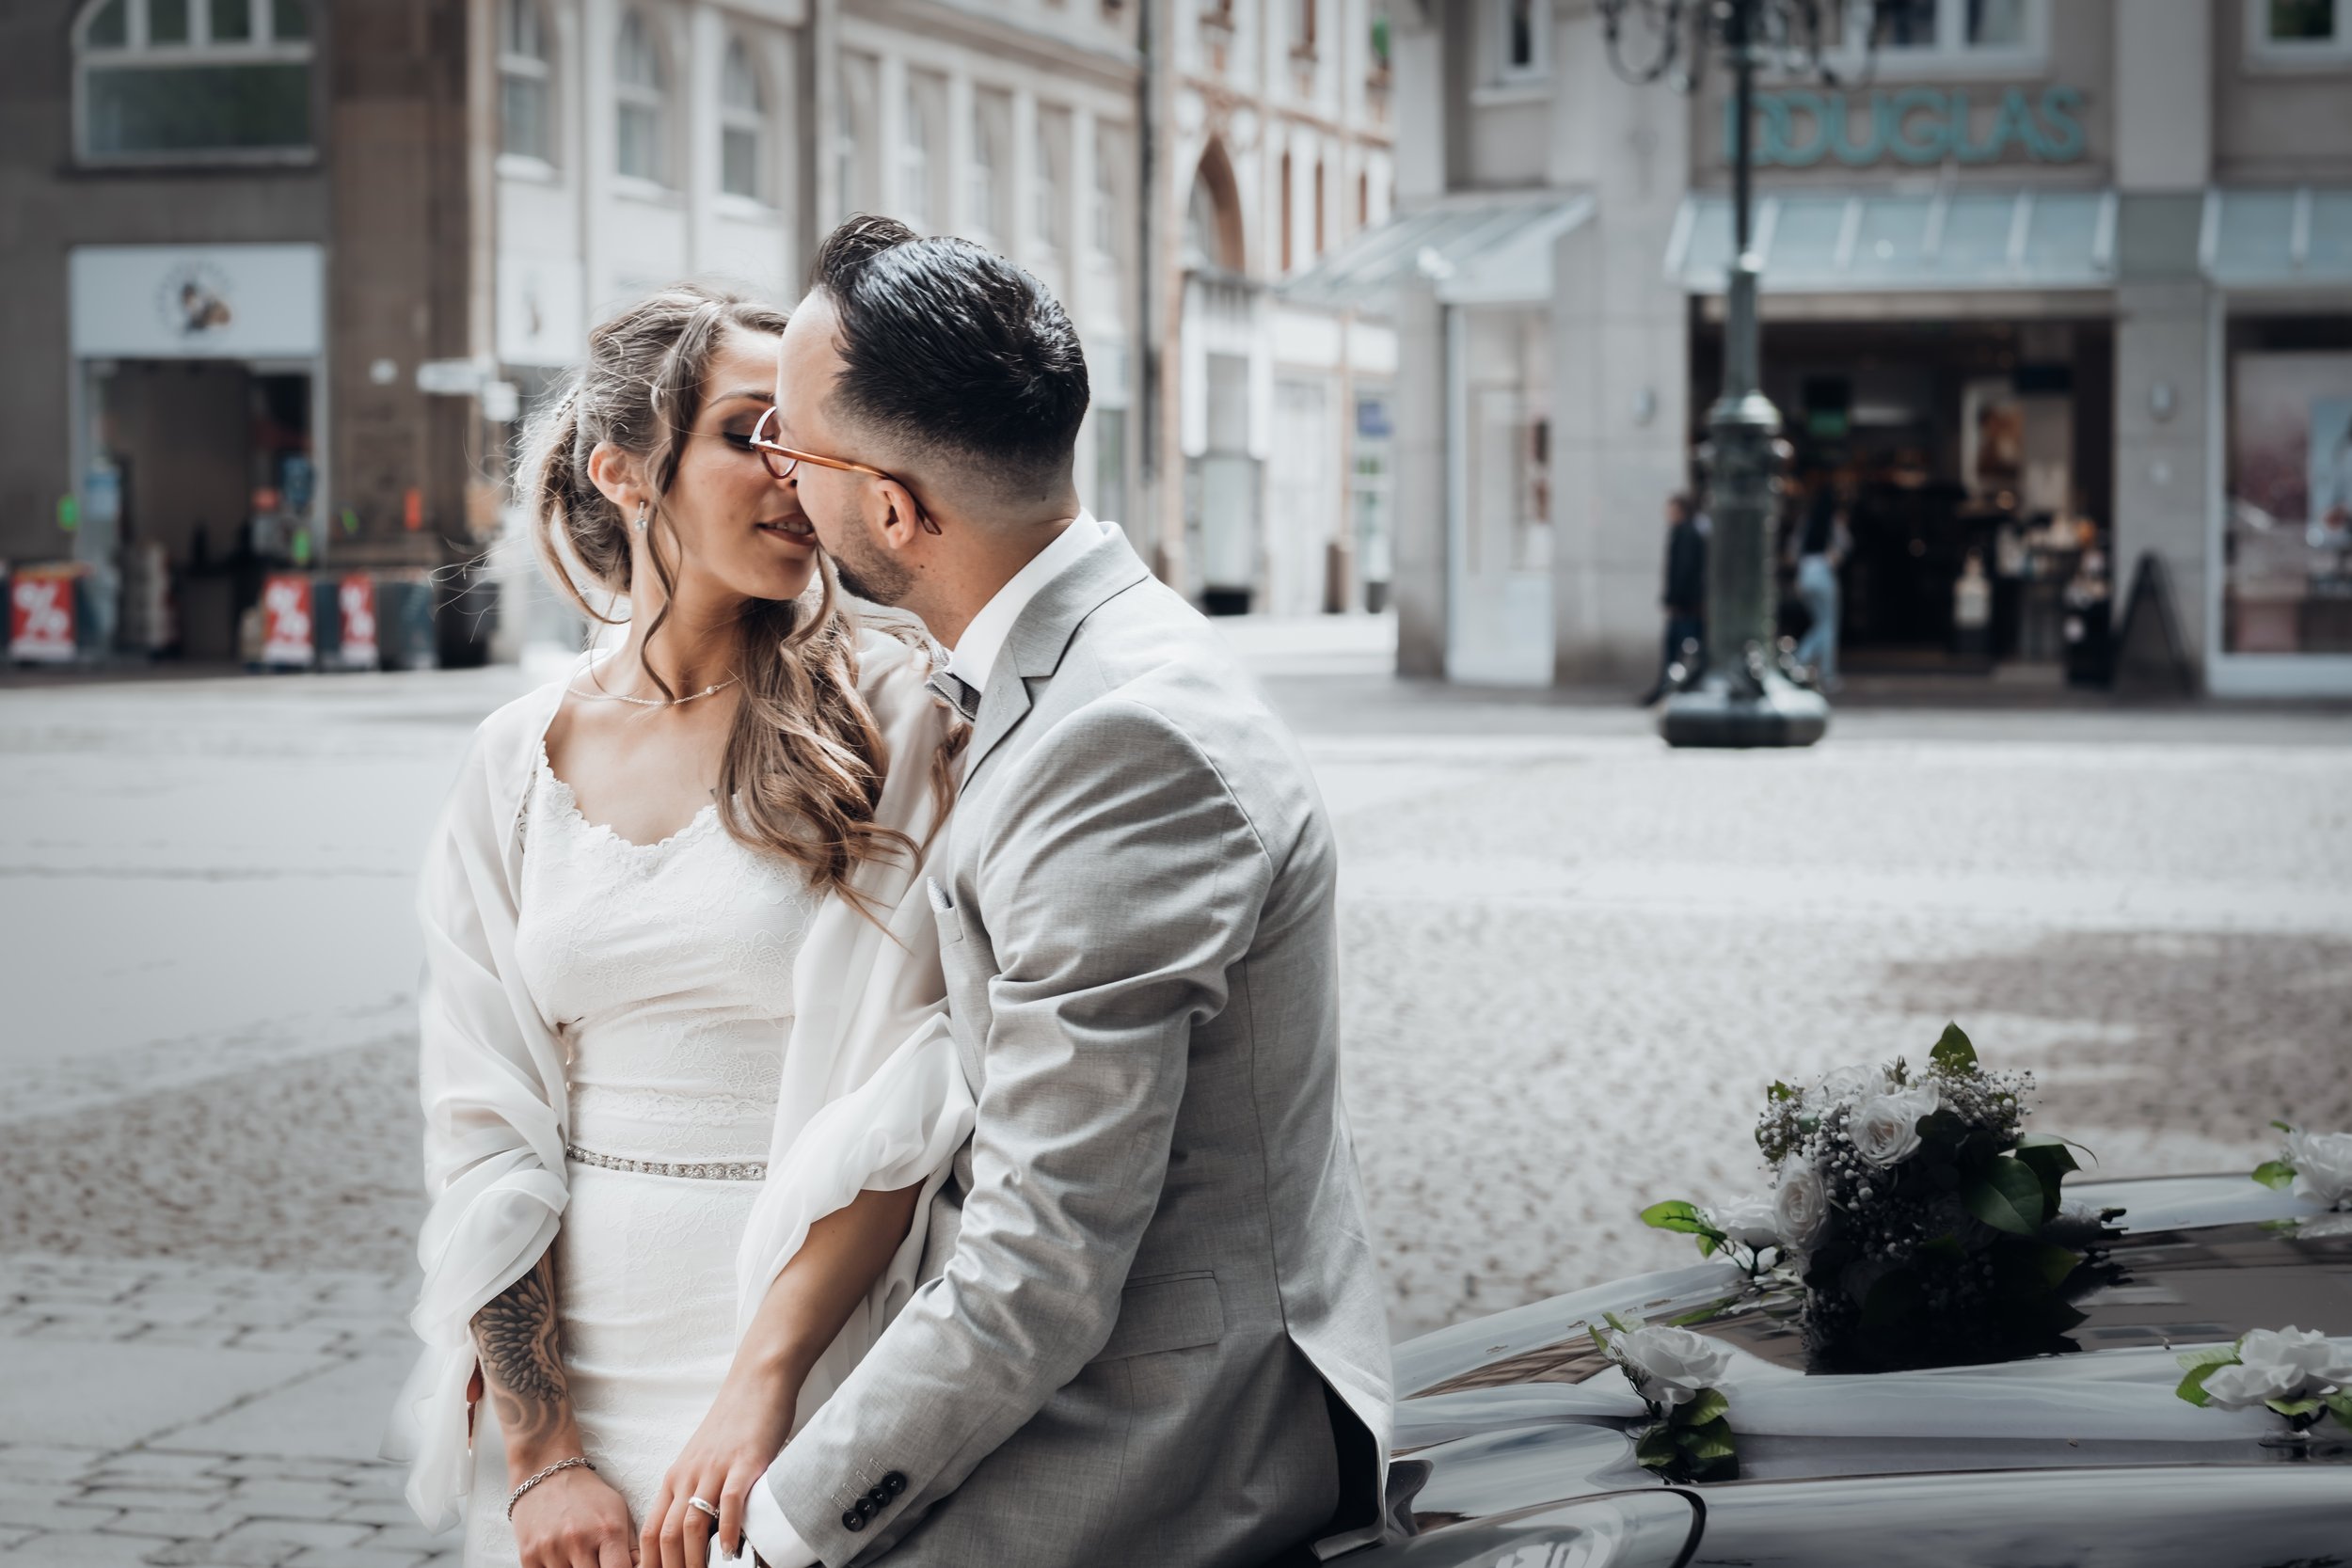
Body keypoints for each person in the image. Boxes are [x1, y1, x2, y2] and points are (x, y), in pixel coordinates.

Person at [710, 215, 1393, 1568]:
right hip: (1118, 1363)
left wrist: (782, 1528)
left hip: (1160, 1433)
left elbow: (1045, 1266)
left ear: (895, 507)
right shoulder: (1078, 659)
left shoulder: (1116, 739)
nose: (778, 478)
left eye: (788, 443)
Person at [388, 284, 976, 1568]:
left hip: (807, 1365)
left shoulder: (897, 713)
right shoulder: (515, 757)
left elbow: (914, 1089)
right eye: (748, 432)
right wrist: (544, 1453)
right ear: (626, 469)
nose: (792, 476)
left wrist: (764, 1387)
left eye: (811, 443)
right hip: (577, 1393)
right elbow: (484, 1127)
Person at [1643, 491, 1708, 705]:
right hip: (1684, 606)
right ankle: (1665, 689)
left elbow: (1684, 571)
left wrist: (1674, 600)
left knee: (1683, 652)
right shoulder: (1685, 532)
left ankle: (1669, 690)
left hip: (1685, 607)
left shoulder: (1687, 534)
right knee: (1678, 652)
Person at [1791, 485, 1851, 692]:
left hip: (1805, 574)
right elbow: (1845, 545)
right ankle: (1815, 667)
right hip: (1824, 574)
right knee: (1828, 626)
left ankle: (1802, 662)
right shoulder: (1833, 521)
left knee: (1821, 624)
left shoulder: (1806, 521)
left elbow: (1793, 550)